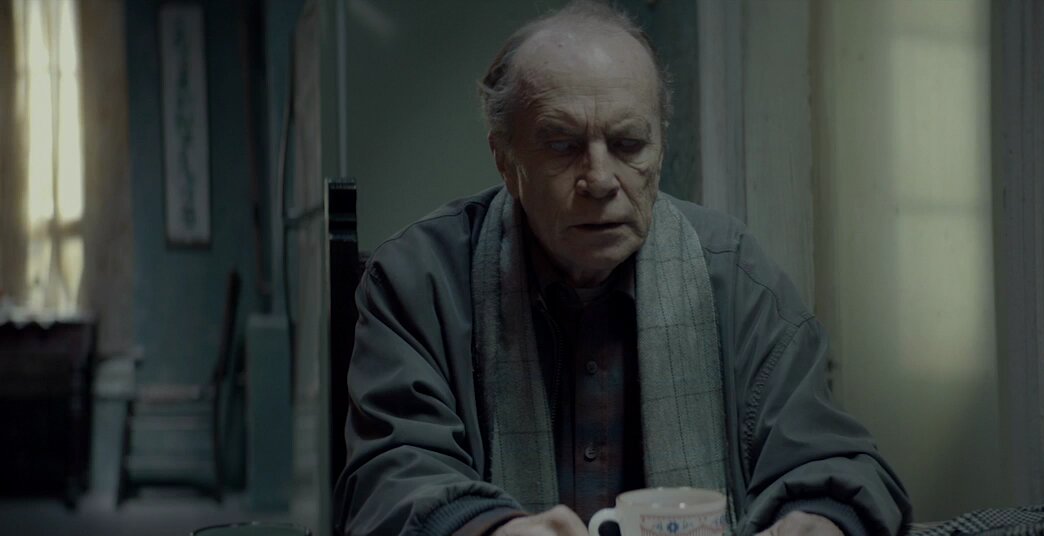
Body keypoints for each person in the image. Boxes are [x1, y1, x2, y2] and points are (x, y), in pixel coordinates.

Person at [333, 2, 911, 535]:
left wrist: (819, 519)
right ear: (505, 160)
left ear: (660, 148)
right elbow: (390, 478)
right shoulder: (419, 281)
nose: (601, 180)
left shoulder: (734, 278)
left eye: (629, 143)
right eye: (562, 146)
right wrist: (490, 530)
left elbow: (832, 460)